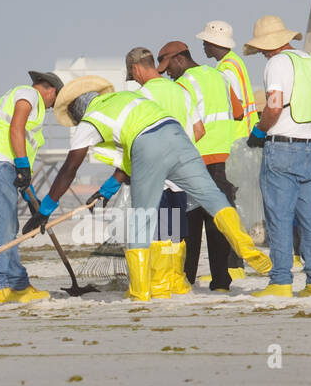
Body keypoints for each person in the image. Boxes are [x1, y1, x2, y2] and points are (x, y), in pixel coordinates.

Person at [22, 80, 271, 302]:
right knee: (212, 195)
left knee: (142, 218)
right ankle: (245, 246)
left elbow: (70, 168)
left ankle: (140, 291)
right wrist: (108, 189)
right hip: (177, 137)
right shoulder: (128, 98)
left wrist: (45, 209)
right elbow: (130, 157)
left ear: (78, 110)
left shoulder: (90, 121)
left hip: (147, 145)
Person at [245, 15, 311, 297]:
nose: (261, 52)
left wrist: (259, 132)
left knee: (279, 217)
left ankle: (281, 282)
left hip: (282, 148)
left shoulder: (276, 64)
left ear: (269, 46)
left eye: (262, 48)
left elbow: (273, 107)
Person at [157, 41, 245, 291]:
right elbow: (237, 114)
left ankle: (186, 278)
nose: (168, 73)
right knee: (219, 222)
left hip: (195, 161)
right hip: (225, 161)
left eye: (169, 67)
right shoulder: (221, 78)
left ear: (180, 59)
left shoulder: (183, 85)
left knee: (188, 223)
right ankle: (221, 282)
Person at [0, 70, 63, 305]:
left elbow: (24, 165)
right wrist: (23, 166)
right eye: (54, 103)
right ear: (51, 90)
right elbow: (16, 129)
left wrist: (36, 204)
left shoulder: (34, 107)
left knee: (8, 229)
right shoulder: (28, 94)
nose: (51, 108)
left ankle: (17, 284)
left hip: (5, 168)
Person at [125, 46, 205, 296]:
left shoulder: (141, 96)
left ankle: (158, 284)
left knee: (156, 229)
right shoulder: (180, 91)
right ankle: (174, 281)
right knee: (174, 231)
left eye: (132, 73)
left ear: (136, 69)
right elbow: (199, 130)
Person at [195, 19, 259, 139]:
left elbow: (236, 108)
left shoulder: (227, 68)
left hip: (237, 135)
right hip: (243, 132)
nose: (203, 47)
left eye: (205, 43)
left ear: (212, 43)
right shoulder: (232, 61)